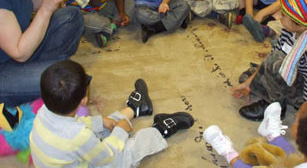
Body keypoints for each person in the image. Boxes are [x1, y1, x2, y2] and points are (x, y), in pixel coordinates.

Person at [30, 60, 194, 167]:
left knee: (104, 124)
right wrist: (120, 132)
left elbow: (75, 126)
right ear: (83, 100)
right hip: (93, 159)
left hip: (73, 152)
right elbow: (105, 157)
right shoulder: (78, 136)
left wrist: (100, 122)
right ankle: (158, 131)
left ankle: (135, 108)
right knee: (126, 152)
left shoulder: (43, 112)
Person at [232, 0, 307, 121]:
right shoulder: (290, 30)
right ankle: (266, 87)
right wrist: (249, 82)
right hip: (293, 72)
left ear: (301, 24)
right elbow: (274, 53)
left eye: (284, 15)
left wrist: (304, 119)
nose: (279, 16)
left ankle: (274, 106)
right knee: (248, 76)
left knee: (273, 64)